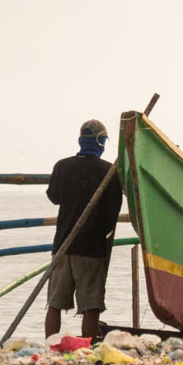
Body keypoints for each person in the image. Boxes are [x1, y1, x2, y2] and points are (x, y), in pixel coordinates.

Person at [44, 118, 123, 341]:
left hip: (63, 245)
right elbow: (112, 214)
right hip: (91, 248)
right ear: (101, 143)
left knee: (54, 303)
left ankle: (52, 347)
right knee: (91, 306)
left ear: (81, 140)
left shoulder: (62, 166)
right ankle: (86, 349)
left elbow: (54, 197)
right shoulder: (109, 172)